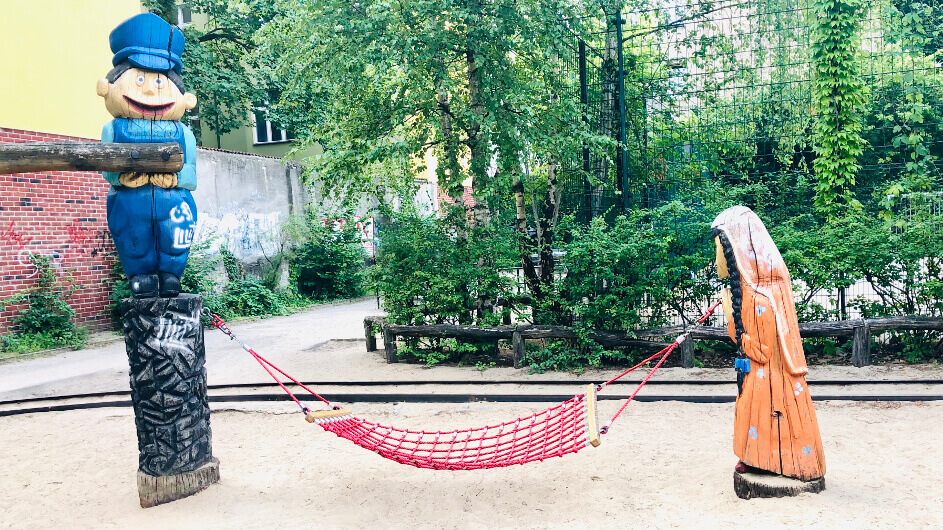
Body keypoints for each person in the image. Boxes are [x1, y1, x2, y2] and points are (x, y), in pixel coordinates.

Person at [711, 206, 825, 481]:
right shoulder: (746, 293)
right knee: (753, 414)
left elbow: (761, 350)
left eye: (719, 251)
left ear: (736, 251)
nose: (716, 260)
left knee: (767, 416)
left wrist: (729, 318)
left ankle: (769, 459)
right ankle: (757, 457)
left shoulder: (760, 299)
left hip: (770, 382)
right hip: (756, 376)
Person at [97, 13, 198, 298]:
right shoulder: (114, 129)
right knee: (131, 236)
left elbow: (190, 174)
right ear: (107, 87)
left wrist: (176, 178)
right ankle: (140, 276)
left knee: (173, 240)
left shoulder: (183, 133)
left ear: (185, 98)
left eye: (160, 82)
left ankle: (171, 275)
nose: (150, 90)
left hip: (173, 201)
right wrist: (123, 177)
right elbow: (108, 171)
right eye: (139, 78)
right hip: (129, 200)